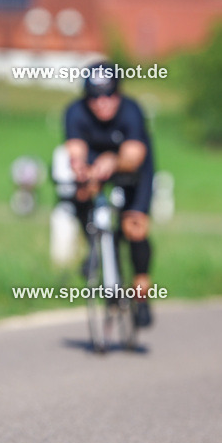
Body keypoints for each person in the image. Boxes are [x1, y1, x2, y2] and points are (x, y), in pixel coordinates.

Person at [64, 62, 155, 327]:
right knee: (82, 191)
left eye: (108, 96)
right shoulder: (75, 112)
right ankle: (93, 245)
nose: (101, 103)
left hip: (132, 167)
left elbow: (134, 157)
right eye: (94, 97)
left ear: (118, 94)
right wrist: (81, 169)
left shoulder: (131, 111)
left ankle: (141, 292)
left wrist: (113, 162)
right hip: (96, 165)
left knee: (134, 226)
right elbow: (75, 150)